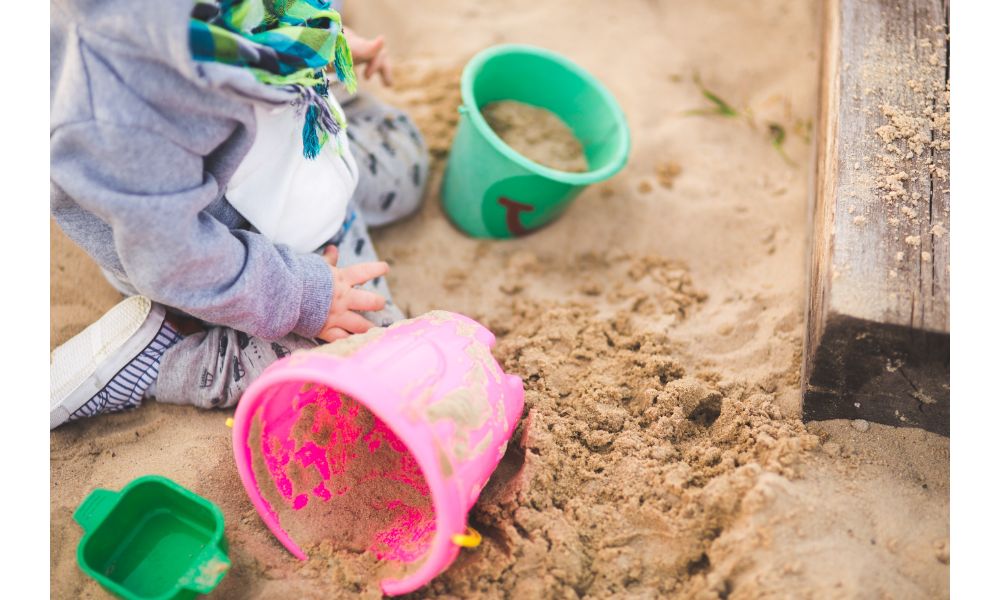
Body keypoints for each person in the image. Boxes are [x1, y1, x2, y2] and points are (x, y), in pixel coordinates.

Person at [49, 0, 428, 429]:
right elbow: (175, 260)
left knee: (407, 163)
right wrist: (305, 297)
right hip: (229, 255)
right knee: (373, 349)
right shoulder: (115, 107)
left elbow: (265, 15)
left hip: (289, 156)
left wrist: (319, 43)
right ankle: (166, 357)